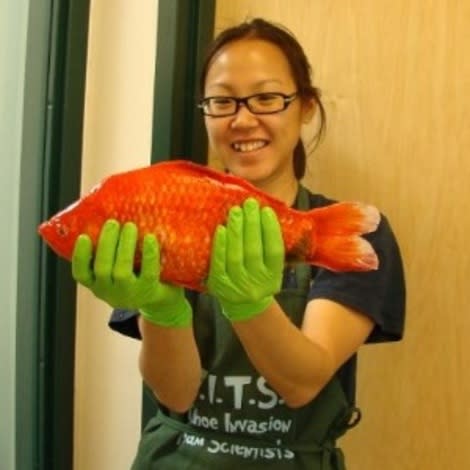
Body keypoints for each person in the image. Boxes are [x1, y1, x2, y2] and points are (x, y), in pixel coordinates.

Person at [72, 18, 405, 470]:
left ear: (305, 106)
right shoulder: (158, 214)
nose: (243, 119)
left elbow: (302, 384)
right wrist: (161, 310)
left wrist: (249, 304)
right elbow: (175, 394)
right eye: (222, 101)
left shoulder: (356, 234)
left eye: (267, 97)